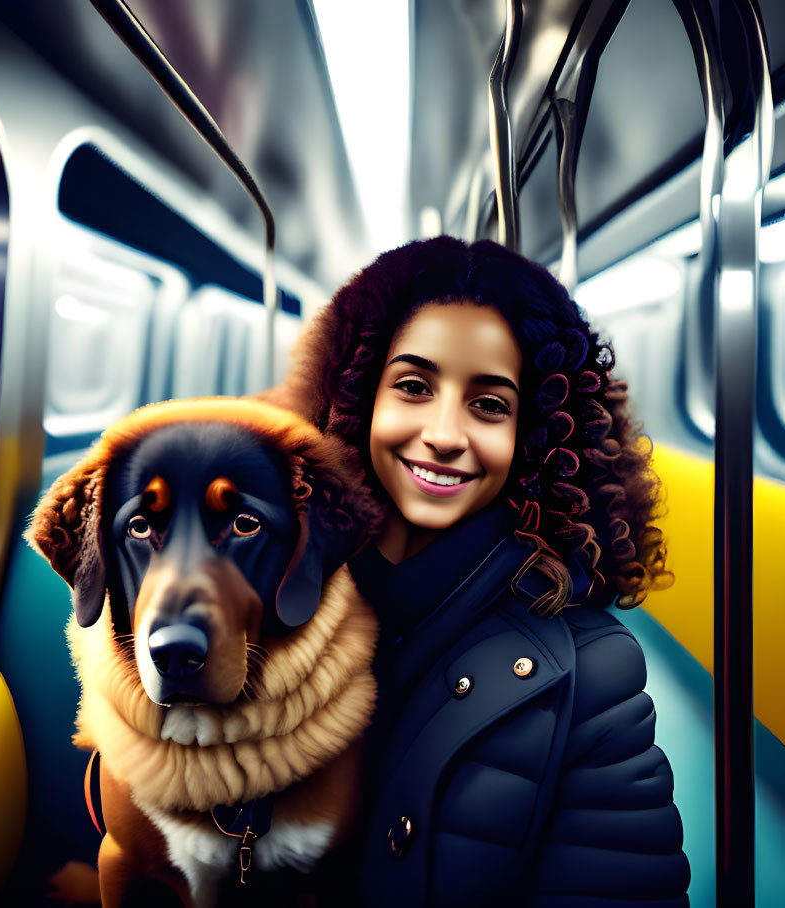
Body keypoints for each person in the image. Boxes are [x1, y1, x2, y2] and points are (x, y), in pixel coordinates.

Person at [270, 236, 690, 906]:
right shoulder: (270, 602)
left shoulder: (591, 674)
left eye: (488, 405)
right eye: (412, 386)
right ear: (352, 400)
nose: (443, 433)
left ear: (532, 438)